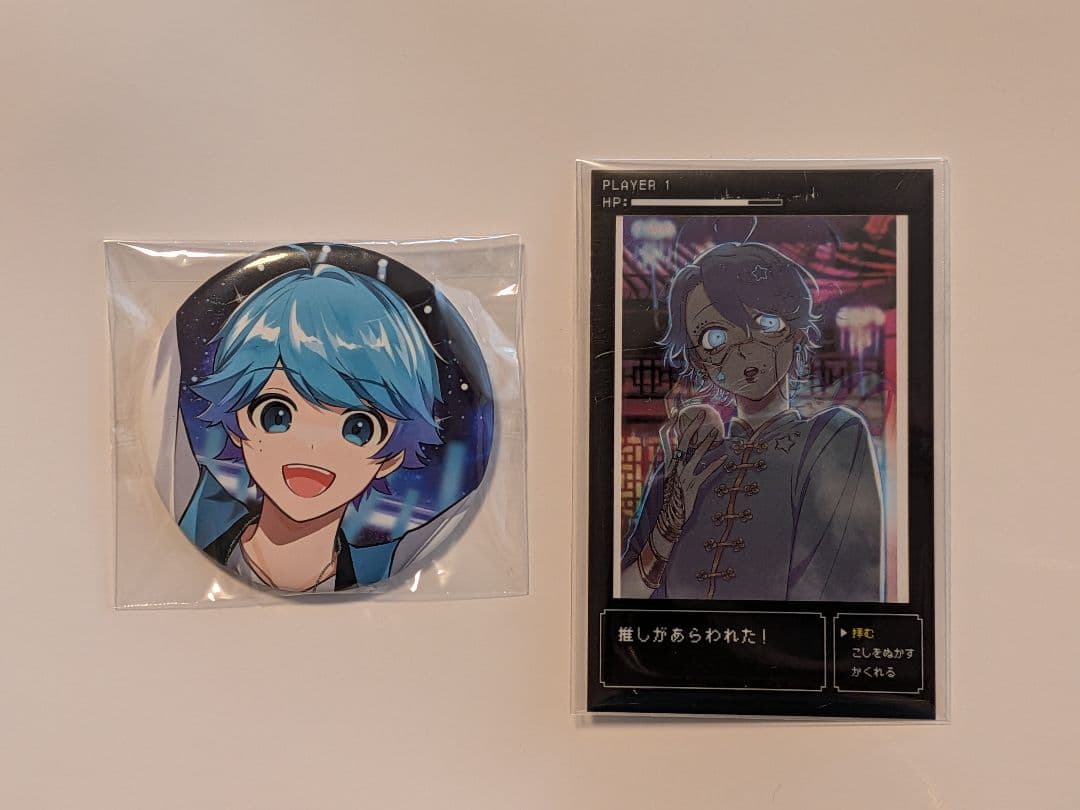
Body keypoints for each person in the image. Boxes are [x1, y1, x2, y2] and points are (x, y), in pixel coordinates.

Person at [621, 242, 883, 601]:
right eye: (714, 337)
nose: (744, 349)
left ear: (797, 332)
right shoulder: (689, 455)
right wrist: (665, 532)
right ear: (699, 362)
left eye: (766, 323)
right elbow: (620, 595)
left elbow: (844, 589)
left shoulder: (832, 435)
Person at [179, 262, 443, 593]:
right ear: (236, 423)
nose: (311, 446)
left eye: (358, 428)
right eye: (277, 415)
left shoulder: (388, 565)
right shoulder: (199, 519)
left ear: (391, 457)